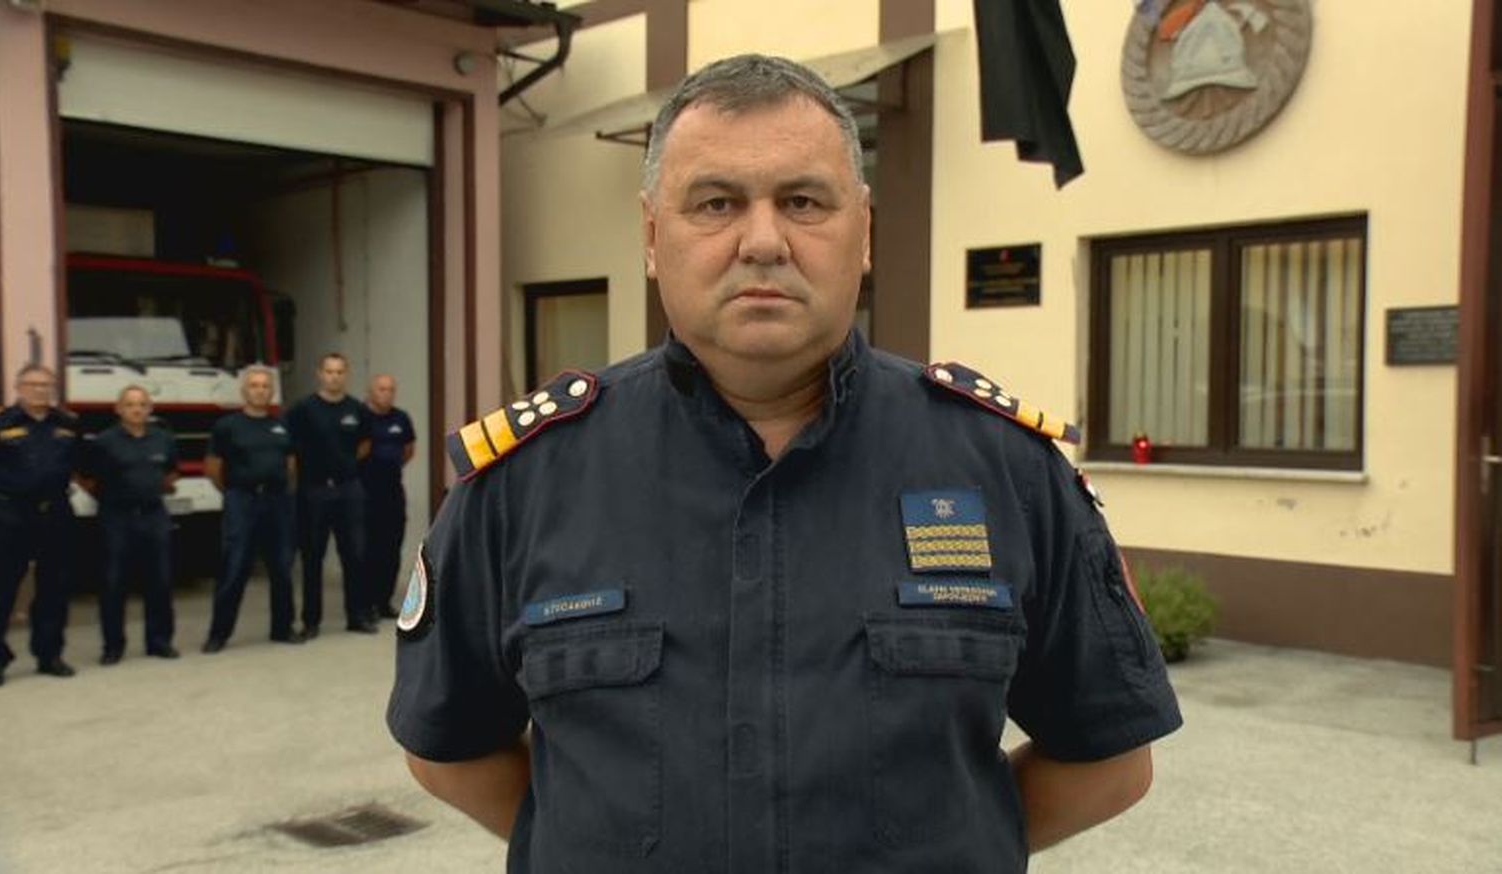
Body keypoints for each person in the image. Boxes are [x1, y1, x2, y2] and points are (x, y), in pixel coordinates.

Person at [387, 55, 1182, 872]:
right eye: (716, 203)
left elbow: (1108, 760)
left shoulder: (1006, 468)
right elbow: (449, 748)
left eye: (803, 201)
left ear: (863, 232)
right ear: (654, 237)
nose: (763, 242)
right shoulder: (524, 481)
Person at [0, 364, 82, 687]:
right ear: (19, 388)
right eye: (33, 384)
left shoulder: (68, 423)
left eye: (46, 385)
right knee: (1, 591)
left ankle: (49, 655)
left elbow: (76, 467)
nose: (39, 390)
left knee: (54, 589)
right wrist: (3, 501)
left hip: (56, 514)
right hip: (12, 517)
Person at [201, 366, 305, 652]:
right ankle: (218, 634)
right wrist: (235, 492)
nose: (260, 390)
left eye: (265, 386)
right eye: (254, 385)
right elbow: (213, 468)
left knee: (281, 567)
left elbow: (291, 465)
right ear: (244, 390)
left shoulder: (282, 424)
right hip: (242, 501)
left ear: (271, 391)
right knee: (234, 567)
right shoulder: (227, 426)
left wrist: (284, 492)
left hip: (277, 502)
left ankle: (282, 628)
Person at [79, 385, 180, 663]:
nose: (137, 409)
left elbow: (171, 473)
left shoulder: (163, 439)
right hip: (116, 518)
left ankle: (159, 642)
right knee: (113, 582)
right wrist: (112, 498)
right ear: (118, 409)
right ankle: (113, 647)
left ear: (150, 409)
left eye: (142, 404)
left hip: (154, 516)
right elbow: (86, 478)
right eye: (130, 404)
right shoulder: (104, 442)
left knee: (160, 580)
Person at [287, 353, 375, 636]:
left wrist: (345, 466)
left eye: (339, 372)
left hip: (349, 489)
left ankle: (357, 616)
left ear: (346, 375)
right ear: (320, 374)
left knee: (355, 554)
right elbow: (290, 451)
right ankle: (311, 621)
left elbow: (365, 445)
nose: (334, 377)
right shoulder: (303, 409)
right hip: (314, 490)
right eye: (329, 371)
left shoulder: (357, 409)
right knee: (313, 556)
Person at [360, 374, 416, 619]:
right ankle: (366, 603)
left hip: (392, 492)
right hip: (365, 493)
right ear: (371, 391)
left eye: (391, 389)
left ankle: (384, 601)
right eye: (381, 389)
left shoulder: (401, 418)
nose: (387, 393)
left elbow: (408, 450)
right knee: (368, 549)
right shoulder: (360, 416)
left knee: (391, 548)